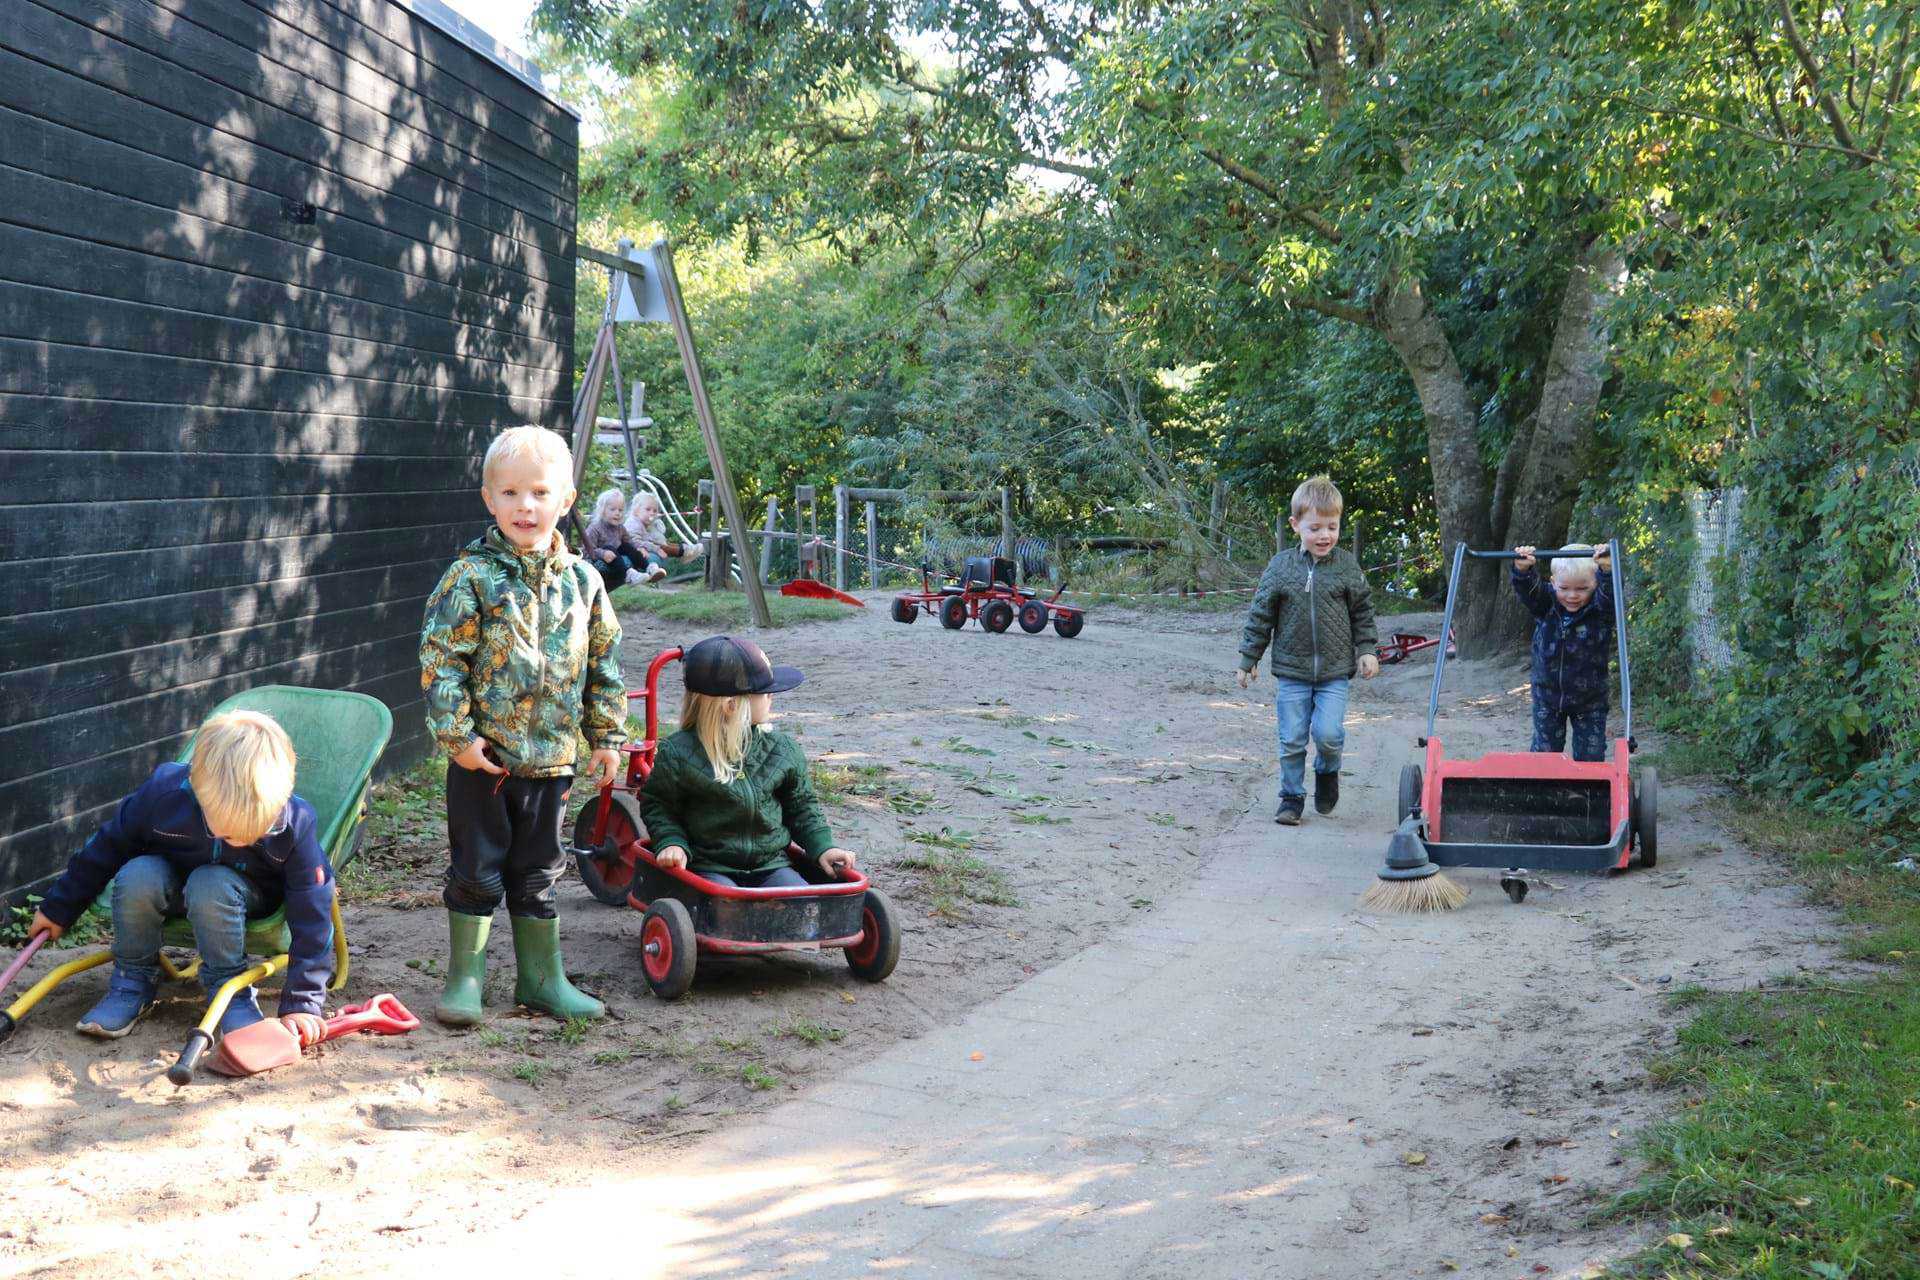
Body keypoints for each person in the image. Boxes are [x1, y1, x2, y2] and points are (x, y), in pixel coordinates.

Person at [419, 425, 626, 1026]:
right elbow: (441, 662)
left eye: (539, 492)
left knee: (538, 873)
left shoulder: (584, 581)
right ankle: (466, 979)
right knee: (477, 869)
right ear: (489, 499)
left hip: (553, 759)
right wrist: (458, 741)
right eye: (509, 493)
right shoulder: (471, 578)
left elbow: (603, 661)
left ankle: (541, 981)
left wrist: (607, 734)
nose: (524, 506)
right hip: (487, 762)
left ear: (565, 499)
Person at [26, 711, 335, 1047]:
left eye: (261, 828)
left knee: (211, 883)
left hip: (247, 898)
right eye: (231, 833)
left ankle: (228, 990)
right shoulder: (162, 796)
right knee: (138, 874)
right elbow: (106, 847)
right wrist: (59, 908)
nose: (246, 840)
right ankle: (133, 980)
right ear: (200, 795)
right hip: (176, 888)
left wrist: (303, 1002)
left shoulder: (295, 823)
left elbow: (312, 910)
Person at [639, 636, 859, 888]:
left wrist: (823, 847)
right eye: (765, 693)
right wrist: (672, 842)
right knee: (726, 904)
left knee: (801, 900)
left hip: (771, 864)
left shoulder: (782, 750)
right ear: (732, 706)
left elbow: (802, 807)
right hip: (710, 866)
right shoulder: (678, 753)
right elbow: (659, 806)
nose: (771, 698)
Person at [1236, 475, 1380, 825]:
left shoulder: (1346, 566)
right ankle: (1291, 798)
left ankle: (1327, 773)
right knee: (1292, 739)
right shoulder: (1280, 567)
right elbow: (1261, 615)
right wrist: (1248, 658)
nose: (1325, 535)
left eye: (1332, 526)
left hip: (1333, 673)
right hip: (1292, 672)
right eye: (1315, 527)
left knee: (1329, 735)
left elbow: (1362, 611)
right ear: (1295, 525)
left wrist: (1367, 649)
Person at [1511, 542, 1617, 762]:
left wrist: (1607, 570)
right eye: (1564, 588)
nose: (1572, 596)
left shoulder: (1599, 610)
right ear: (1553, 583)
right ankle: (1541, 792)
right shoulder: (1546, 604)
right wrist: (1523, 571)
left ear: (1595, 584)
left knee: (1591, 755)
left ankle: (1589, 794)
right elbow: (1530, 593)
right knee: (1545, 753)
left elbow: (1610, 596)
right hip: (1548, 696)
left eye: (1582, 588)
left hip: (1590, 700)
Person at [583, 488, 666, 589]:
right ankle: (629, 576)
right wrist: (602, 553)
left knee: (627, 546)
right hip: (603, 556)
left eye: (620, 510)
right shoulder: (594, 528)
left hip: (616, 553)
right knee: (610, 547)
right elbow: (587, 550)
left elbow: (629, 542)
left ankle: (649, 568)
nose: (617, 513)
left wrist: (639, 548)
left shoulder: (620, 527)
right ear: (602, 511)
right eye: (613, 509)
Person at [624, 491, 700, 567]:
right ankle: (683, 552)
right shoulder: (633, 524)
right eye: (648, 509)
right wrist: (656, 549)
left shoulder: (645, 523)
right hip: (637, 550)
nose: (652, 513)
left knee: (664, 543)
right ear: (636, 510)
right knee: (662, 546)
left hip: (646, 546)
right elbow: (635, 542)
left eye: (655, 511)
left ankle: (686, 549)